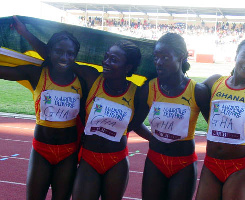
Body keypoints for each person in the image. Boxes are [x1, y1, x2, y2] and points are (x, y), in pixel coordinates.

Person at [13, 16, 151, 199]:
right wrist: (25, 33)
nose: (106, 62)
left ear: (128, 67)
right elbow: (57, 58)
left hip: (116, 159)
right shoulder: (92, 77)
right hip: (88, 158)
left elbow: (134, 122)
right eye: (106, 57)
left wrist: (154, 139)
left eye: (114, 59)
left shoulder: (137, 92)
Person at [0, 30, 83, 199]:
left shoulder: (82, 79)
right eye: (58, 51)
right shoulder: (37, 73)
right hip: (41, 151)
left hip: (68, 152)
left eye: (70, 53)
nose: (64, 58)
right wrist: (22, 31)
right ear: (49, 51)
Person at [131, 32, 210, 200]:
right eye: (156, 57)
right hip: (155, 161)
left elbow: (217, 128)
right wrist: (153, 138)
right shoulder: (149, 89)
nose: (158, 63)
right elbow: (134, 123)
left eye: (165, 58)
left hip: (184, 164)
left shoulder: (198, 91)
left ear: (181, 57)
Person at [195, 38, 245, 200]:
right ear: (236, 55)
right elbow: (193, 96)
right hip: (211, 165)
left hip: (239, 167)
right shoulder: (215, 82)